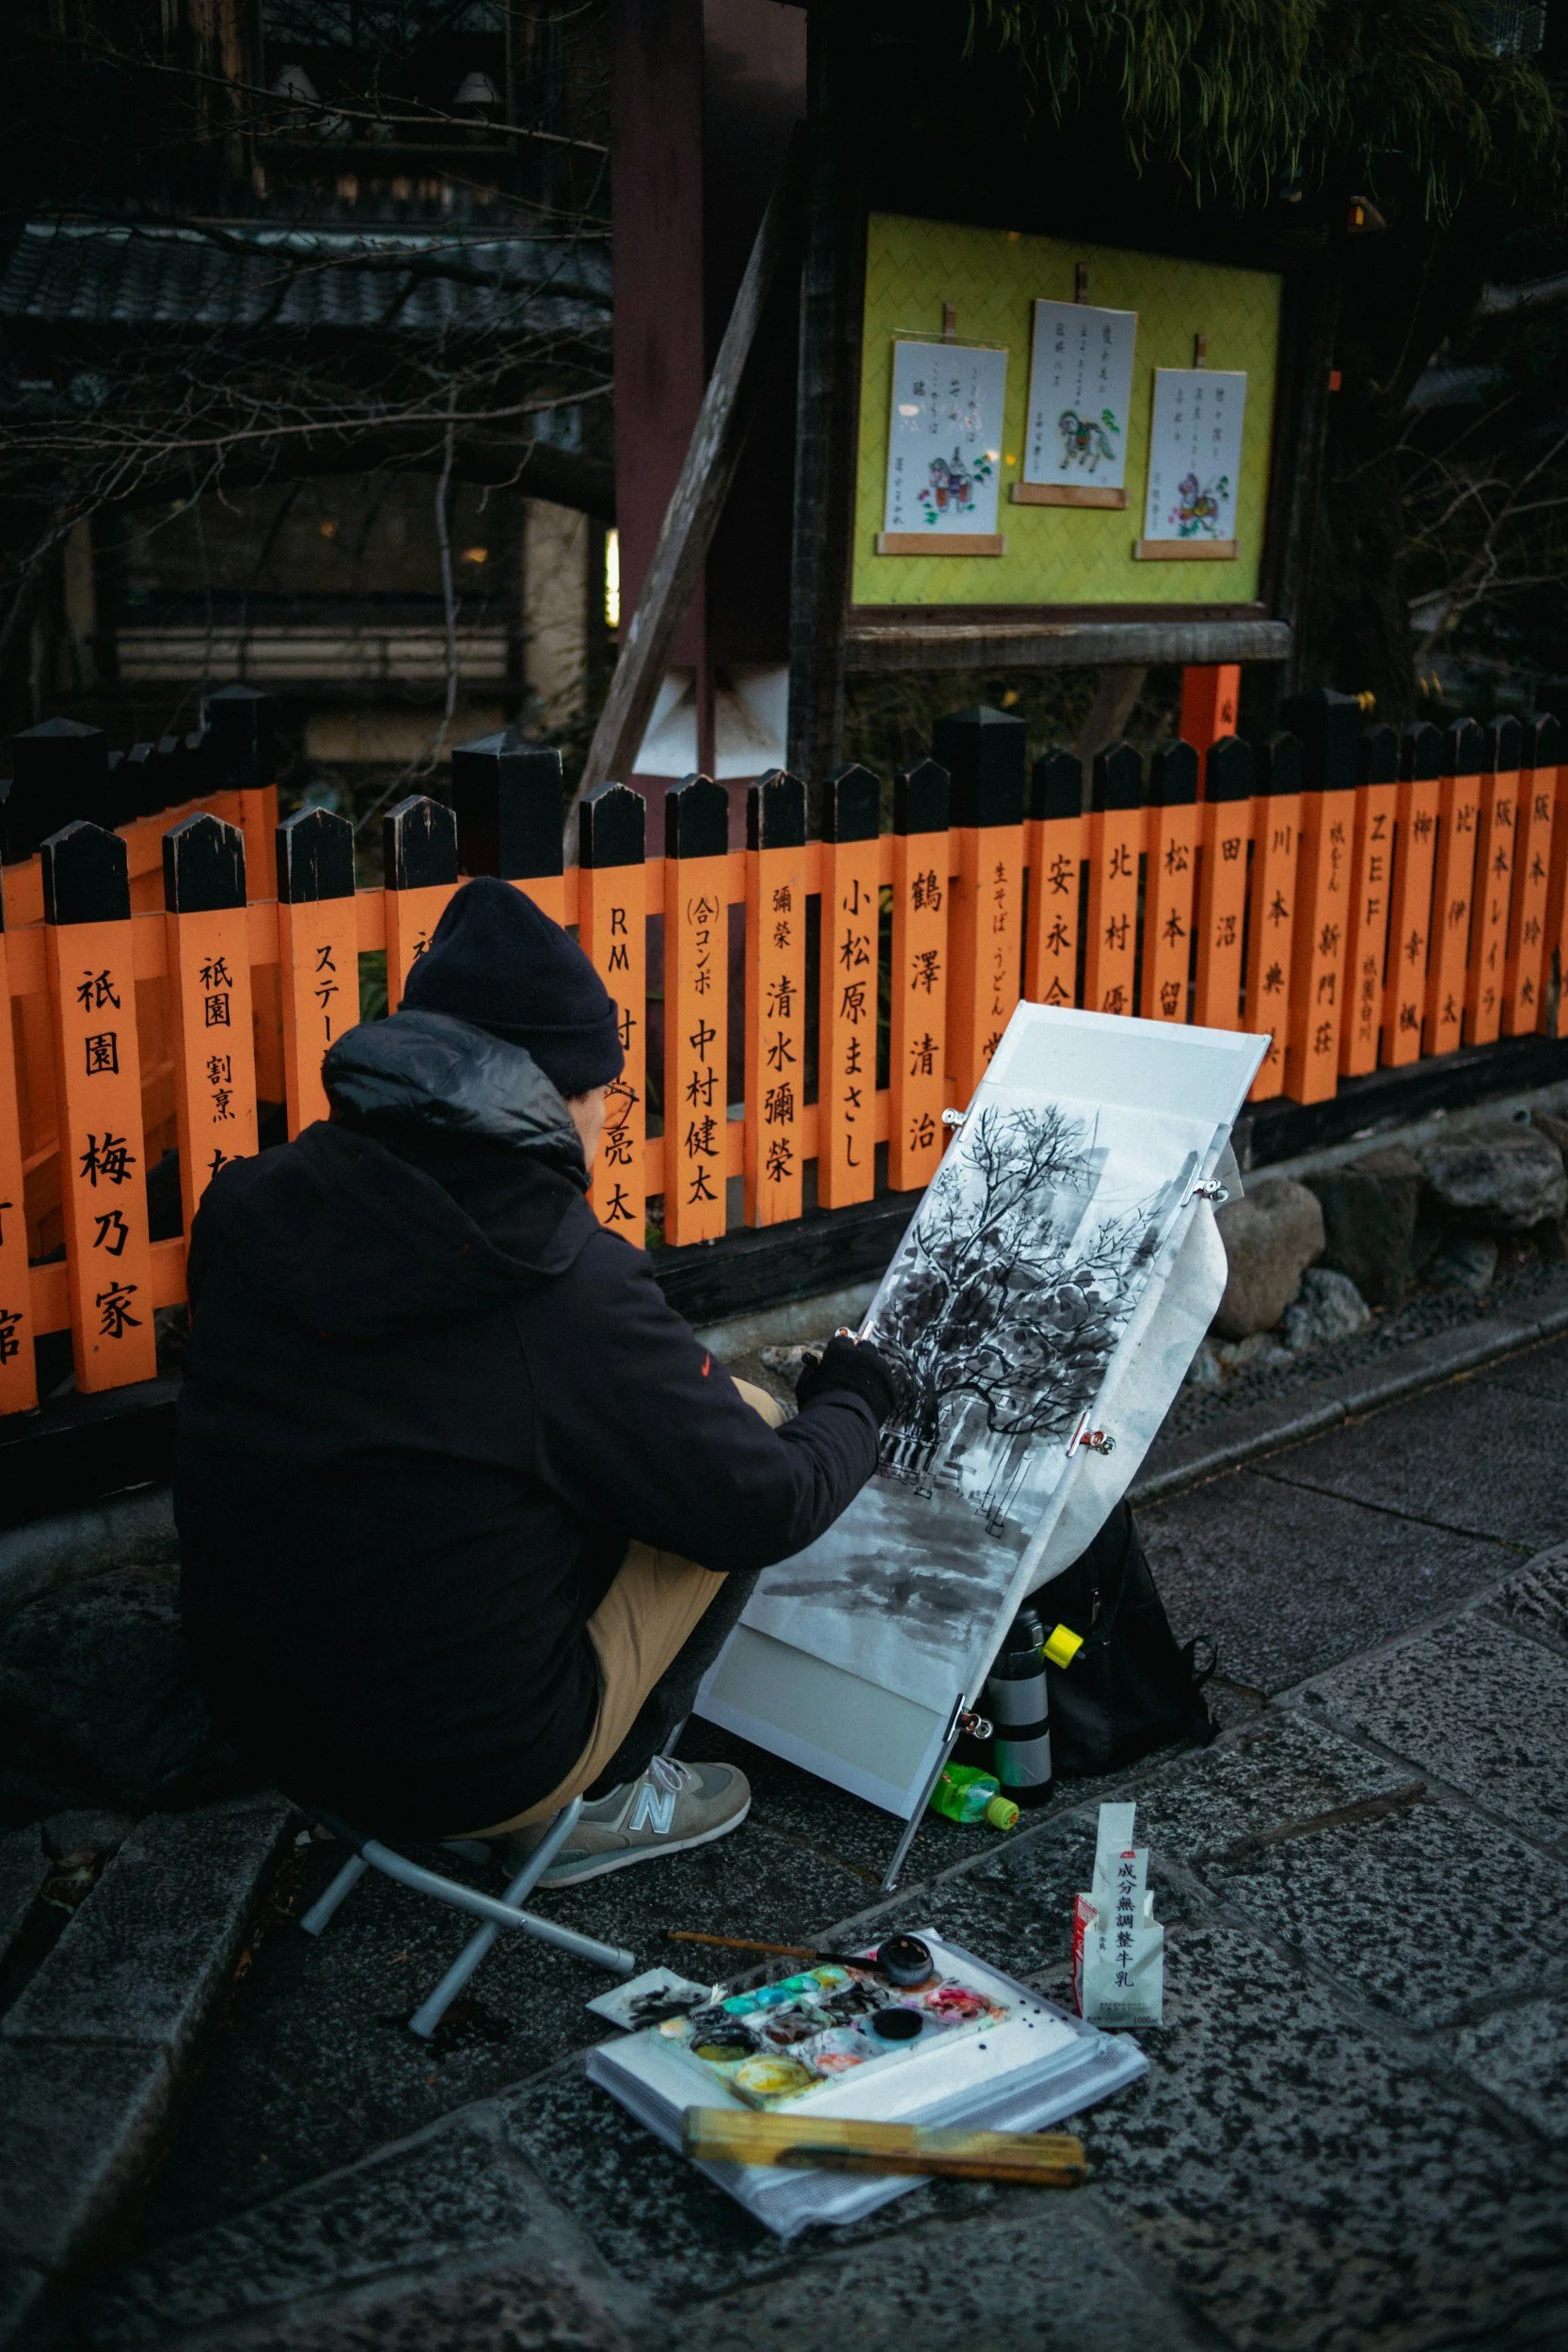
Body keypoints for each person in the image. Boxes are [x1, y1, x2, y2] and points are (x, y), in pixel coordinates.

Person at [177, 877, 900, 1884]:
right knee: (748, 1426)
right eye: (607, 1094)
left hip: (261, 1717)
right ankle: (599, 1800)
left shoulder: (253, 1201)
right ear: (557, 1093)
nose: (608, 1120)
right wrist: (856, 1399)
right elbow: (767, 1504)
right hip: (466, 1769)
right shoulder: (552, 1281)